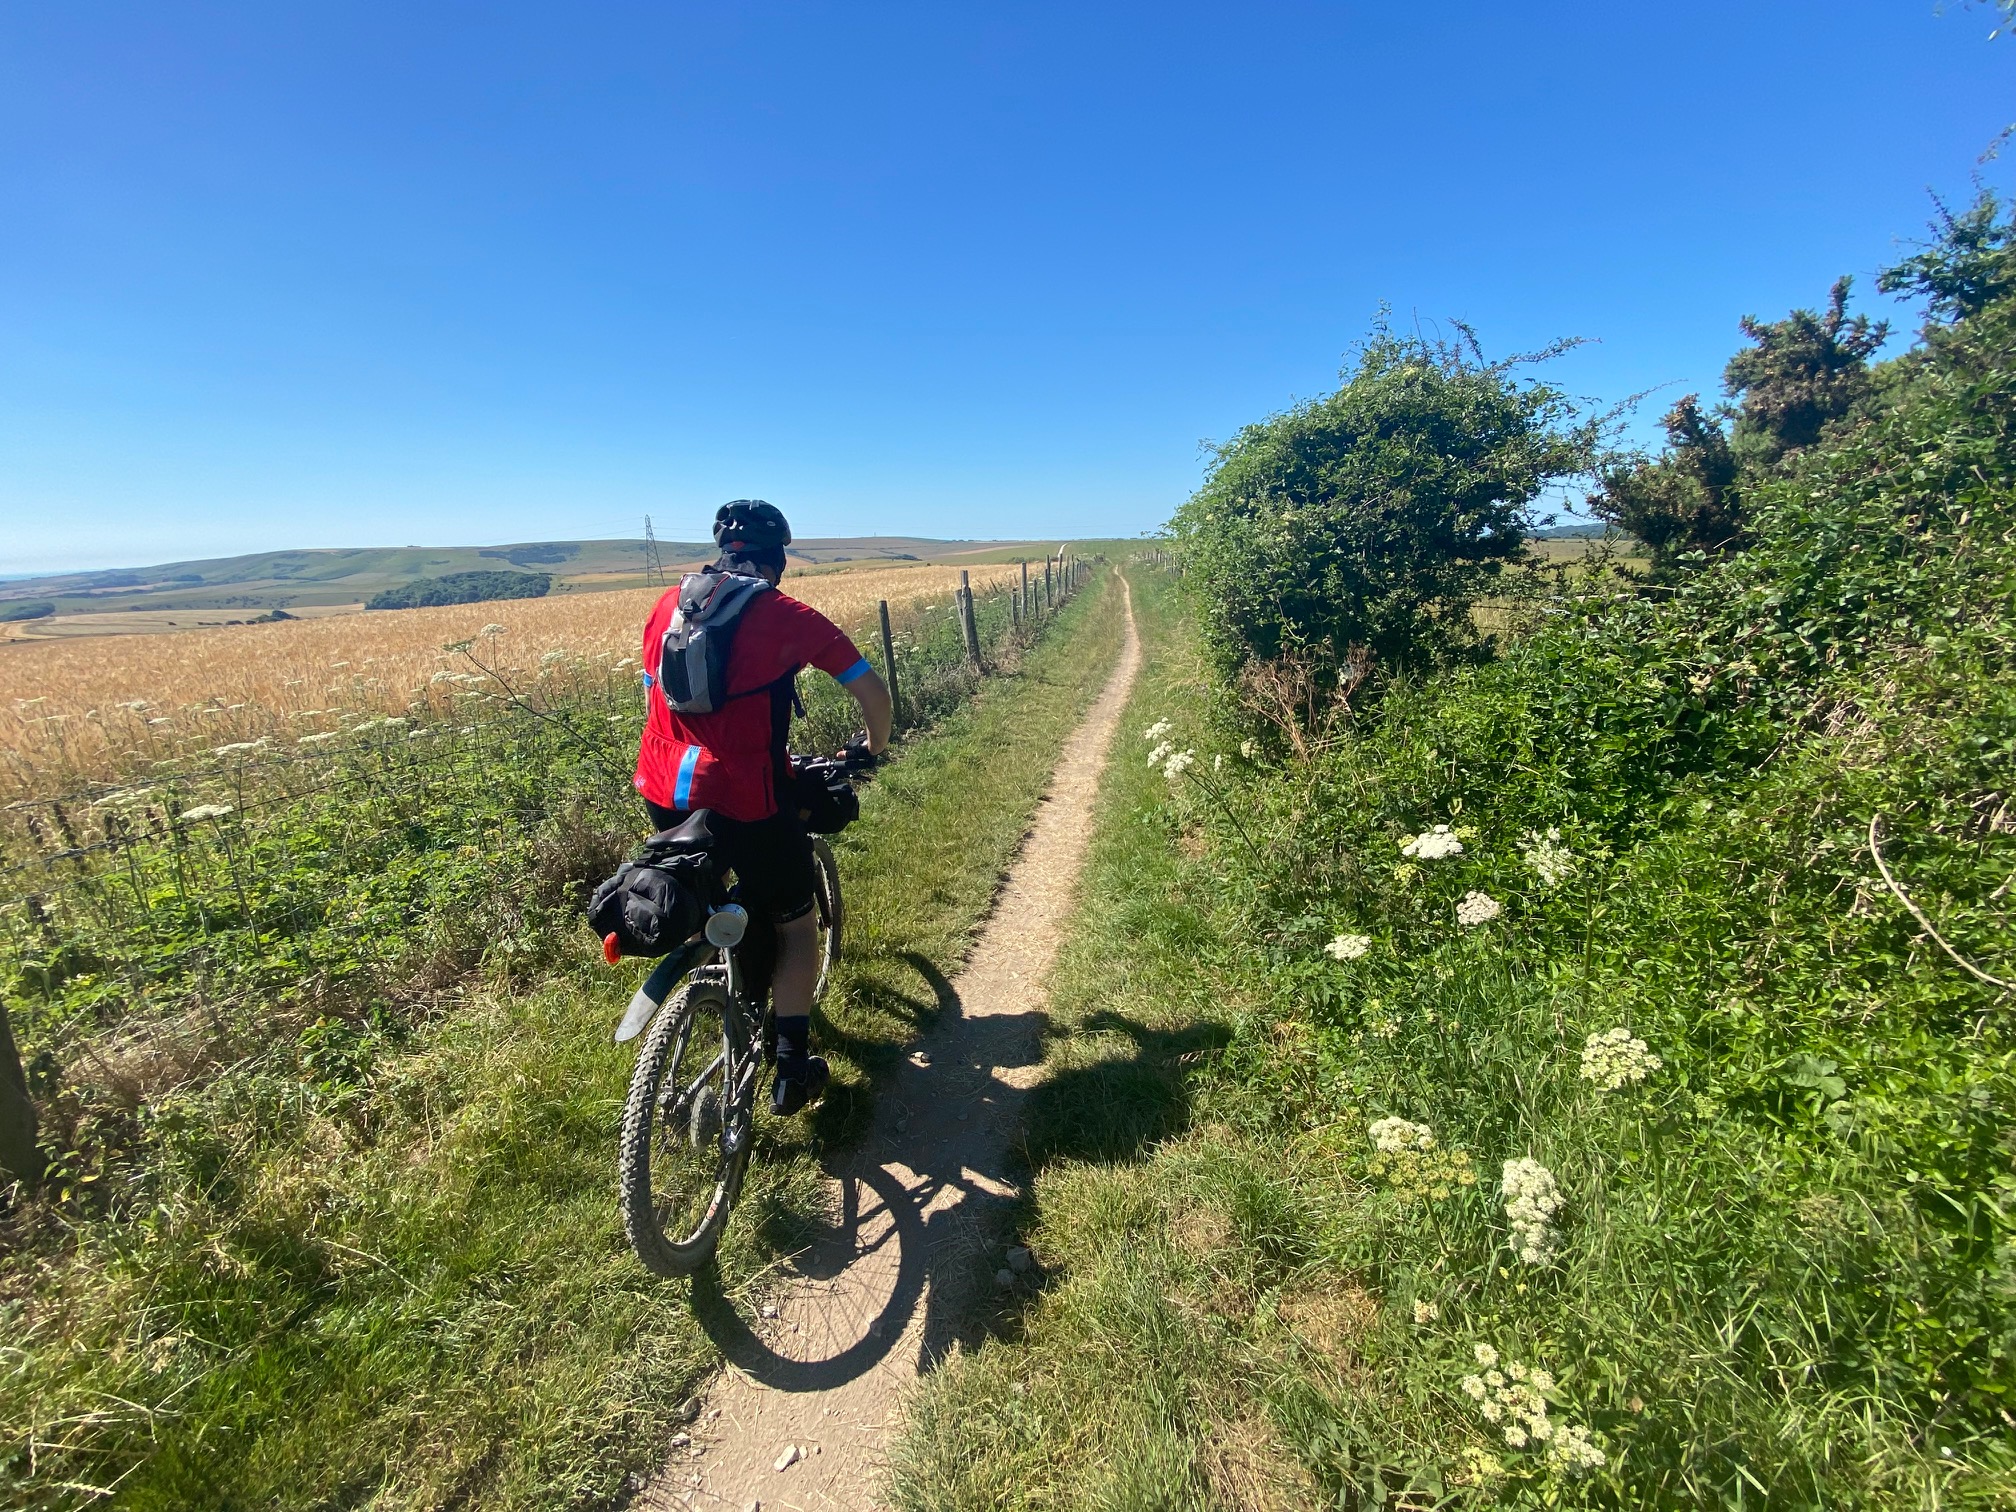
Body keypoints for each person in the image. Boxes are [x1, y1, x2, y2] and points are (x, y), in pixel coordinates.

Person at [633, 500, 893, 1114]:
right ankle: (792, 1068)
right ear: (778, 558)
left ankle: (726, 980)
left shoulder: (666, 607)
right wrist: (873, 745)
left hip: (665, 789)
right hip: (748, 796)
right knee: (794, 922)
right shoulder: (784, 614)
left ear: (721, 552)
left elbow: (653, 695)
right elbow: (870, 689)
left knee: (709, 897)